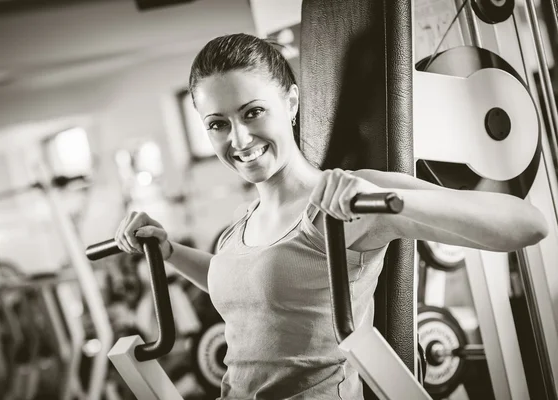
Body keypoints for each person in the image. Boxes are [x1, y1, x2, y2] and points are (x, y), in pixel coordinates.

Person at [114, 33, 549, 400]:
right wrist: (168, 250)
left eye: (252, 112)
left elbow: (529, 224)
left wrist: (390, 203)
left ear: (290, 101)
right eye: (218, 124)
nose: (239, 138)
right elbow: (257, 294)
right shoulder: (245, 220)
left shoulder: (343, 200)